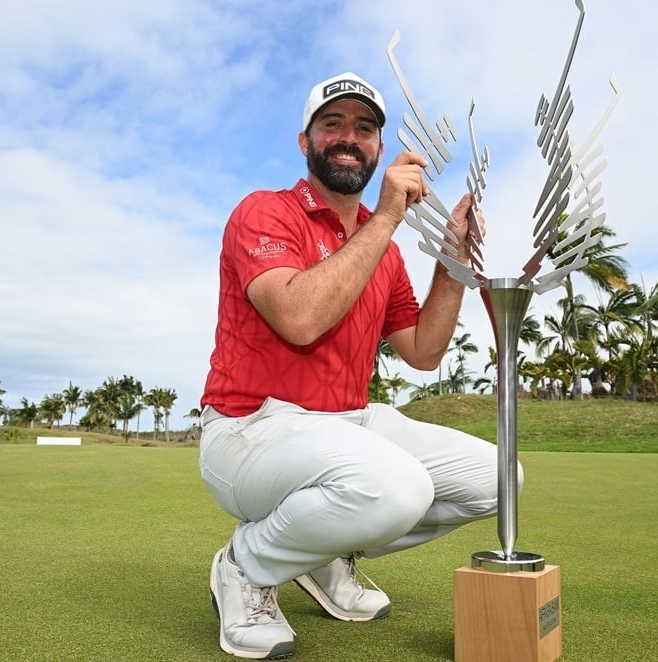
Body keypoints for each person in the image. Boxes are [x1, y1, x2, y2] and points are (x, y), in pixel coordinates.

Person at [198, 71, 522, 659]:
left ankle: (319, 552)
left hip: (346, 422)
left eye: (365, 129)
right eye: (333, 124)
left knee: (502, 479)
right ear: (306, 141)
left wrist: (453, 258)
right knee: (395, 488)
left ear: (377, 148)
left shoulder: (385, 252)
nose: (349, 137)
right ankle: (246, 565)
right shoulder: (265, 212)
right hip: (251, 428)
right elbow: (298, 316)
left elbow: (422, 352)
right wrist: (386, 218)